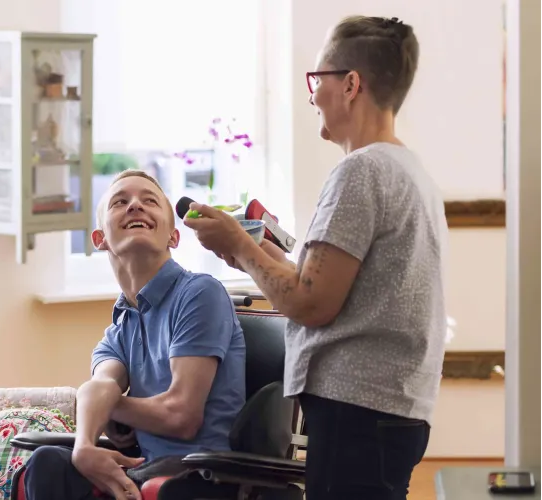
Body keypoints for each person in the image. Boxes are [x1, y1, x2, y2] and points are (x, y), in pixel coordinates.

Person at [183, 15, 447, 500]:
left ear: (350, 84)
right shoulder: (409, 171)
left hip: (358, 412)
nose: (312, 96)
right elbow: (330, 290)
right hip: (391, 410)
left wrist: (240, 245)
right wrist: (250, 251)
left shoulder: (361, 172)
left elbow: (310, 303)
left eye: (317, 79)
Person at [22, 169, 246, 500]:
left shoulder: (200, 293)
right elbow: (97, 387)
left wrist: (109, 406)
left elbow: (182, 416)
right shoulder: (121, 325)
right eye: (120, 202)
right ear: (100, 239)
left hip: (199, 476)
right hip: (145, 467)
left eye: (150, 201)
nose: (135, 206)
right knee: (48, 463)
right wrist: (84, 447)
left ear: (173, 237)